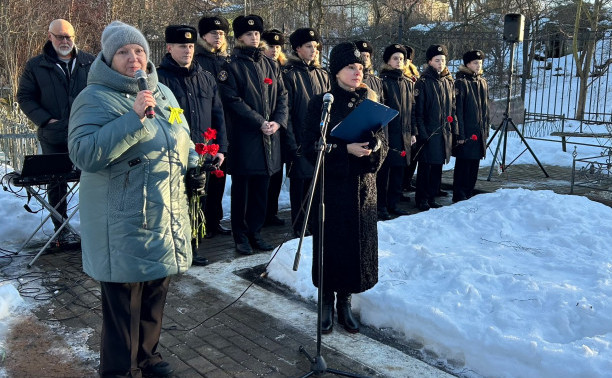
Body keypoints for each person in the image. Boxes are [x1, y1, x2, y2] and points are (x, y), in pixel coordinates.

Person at [68, 21, 202, 377]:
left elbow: (181, 132)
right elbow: (83, 154)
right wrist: (132, 119)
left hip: (163, 214)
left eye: (139, 51)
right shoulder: (92, 98)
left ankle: (148, 357)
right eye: (124, 53)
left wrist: (195, 163)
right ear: (109, 59)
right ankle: (116, 369)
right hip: (122, 219)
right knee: (123, 304)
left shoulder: (164, 93)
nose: (133, 58)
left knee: (155, 295)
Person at [302, 42, 388, 334]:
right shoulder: (321, 103)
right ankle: (326, 302)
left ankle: (344, 303)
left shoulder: (370, 101)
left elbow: (383, 143)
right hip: (333, 190)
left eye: (360, 67)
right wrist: (344, 150)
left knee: (354, 248)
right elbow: (308, 146)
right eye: (351, 67)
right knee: (331, 246)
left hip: (362, 189)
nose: (357, 72)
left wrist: (375, 147)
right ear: (337, 71)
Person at [16, 19, 94, 244]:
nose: (65, 41)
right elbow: (24, 97)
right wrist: (45, 120)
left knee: (92, 177)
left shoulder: (89, 62)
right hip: (54, 134)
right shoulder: (36, 65)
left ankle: (93, 227)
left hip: (85, 132)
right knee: (57, 183)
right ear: (49, 36)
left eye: (69, 36)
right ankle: (61, 229)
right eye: (60, 36)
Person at [157, 25, 228, 266]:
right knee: (175, 203)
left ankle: (192, 246)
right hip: (173, 155)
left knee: (198, 202)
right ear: (169, 48)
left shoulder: (205, 77)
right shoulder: (159, 80)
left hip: (203, 152)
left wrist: (221, 148)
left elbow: (218, 114)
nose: (187, 51)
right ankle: (173, 246)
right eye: (181, 46)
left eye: (190, 46)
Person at [217, 15, 288, 255]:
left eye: (257, 34)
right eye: (249, 34)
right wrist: (259, 122)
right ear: (239, 38)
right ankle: (241, 235)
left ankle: (255, 232)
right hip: (245, 139)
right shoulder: (231, 66)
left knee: (262, 189)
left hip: (270, 138)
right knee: (243, 191)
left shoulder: (271, 64)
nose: (255, 38)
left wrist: (278, 122)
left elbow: (282, 96)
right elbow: (232, 100)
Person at [283, 27, 330, 237]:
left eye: (316, 47)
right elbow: (288, 112)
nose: (314, 50)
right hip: (300, 142)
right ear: (297, 49)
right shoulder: (289, 75)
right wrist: (293, 144)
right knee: (300, 186)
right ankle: (299, 226)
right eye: (309, 46)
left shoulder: (322, 74)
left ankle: (314, 224)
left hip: (320, 140)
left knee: (317, 184)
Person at [194, 15, 232, 239]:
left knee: (219, 176)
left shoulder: (227, 59)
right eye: (213, 33)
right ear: (203, 36)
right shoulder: (199, 59)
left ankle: (214, 219)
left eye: (221, 33)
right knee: (202, 178)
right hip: (205, 124)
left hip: (225, 124)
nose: (218, 37)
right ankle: (200, 221)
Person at [414, 44, 457, 211]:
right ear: (429, 62)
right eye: (437, 60)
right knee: (426, 167)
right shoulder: (423, 82)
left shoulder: (447, 81)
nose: (441, 63)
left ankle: (432, 196)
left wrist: (453, 129)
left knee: (437, 166)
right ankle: (422, 199)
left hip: (443, 132)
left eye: (443, 60)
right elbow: (418, 110)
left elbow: (452, 108)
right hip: (429, 132)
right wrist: (422, 133)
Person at [377, 44, 416, 220]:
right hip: (388, 133)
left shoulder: (407, 82)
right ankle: (381, 206)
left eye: (401, 59)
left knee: (399, 171)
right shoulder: (382, 81)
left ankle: (393, 203)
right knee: (385, 172)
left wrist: (413, 132)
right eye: (395, 58)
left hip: (404, 133)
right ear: (388, 61)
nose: (399, 62)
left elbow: (412, 109)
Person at [452, 50, 490, 202]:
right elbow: (458, 111)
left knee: (474, 163)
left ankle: (469, 190)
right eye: (475, 63)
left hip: (478, 132)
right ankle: (459, 192)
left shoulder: (482, 82)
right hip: (467, 131)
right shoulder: (461, 82)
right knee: (463, 164)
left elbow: (485, 109)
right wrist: (460, 134)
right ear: (467, 64)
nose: (478, 65)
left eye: (480, 63)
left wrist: (485, 130)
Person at [261, 28, 288, 227]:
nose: (275, 50)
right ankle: (262, 213)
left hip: (281, 127)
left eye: (278, 46)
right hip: (264, 128)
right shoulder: (260, 67)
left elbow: (284, 97)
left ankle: (271, 211)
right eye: (271, 46)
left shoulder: (283, 68)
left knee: (277, 174)